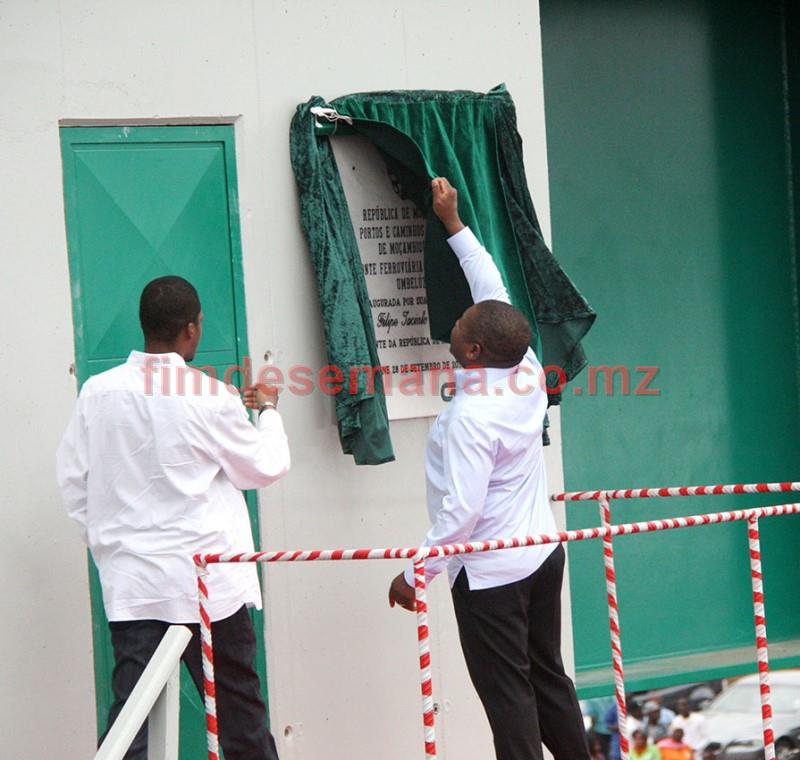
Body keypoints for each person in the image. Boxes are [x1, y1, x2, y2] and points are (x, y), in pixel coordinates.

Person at [387, 178, 590, 760]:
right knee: (548, 679)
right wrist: (452, 223)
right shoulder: (524, 365)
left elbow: (462, 512)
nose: (459, 319)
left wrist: (415, 575)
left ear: (473, 351)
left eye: (464, 324)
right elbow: (492, 289)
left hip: (493, 576)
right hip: (541, 552)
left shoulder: (470, 417)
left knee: (509, 698)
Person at [56, 276, 290, 760]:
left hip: (136, 586)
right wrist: (267, 412)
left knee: (132, 728)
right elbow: (263, 467)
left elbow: (72, 483)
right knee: (241, 723)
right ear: (190, 330)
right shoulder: (209, 396)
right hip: (208, 592)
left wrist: (110, 546)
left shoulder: (97, 394)